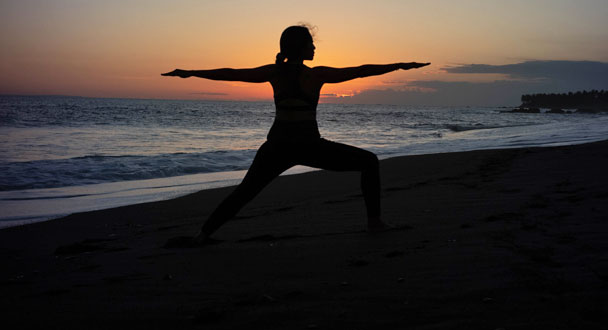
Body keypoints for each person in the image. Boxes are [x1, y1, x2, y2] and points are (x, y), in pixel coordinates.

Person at [162, 25, 429, 244]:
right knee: (369, 162)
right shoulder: (315, 75)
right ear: (300, 47)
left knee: (245, 192)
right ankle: (375, 224)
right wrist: (398, 66)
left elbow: (231, 74)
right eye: (311, 44)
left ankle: (203, 235)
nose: (314, 48)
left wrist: (191, 73)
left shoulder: (274, 72)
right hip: (307, 146)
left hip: (277, 146)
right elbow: (360, 71)